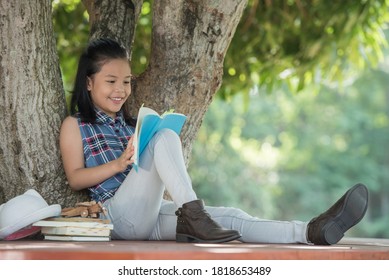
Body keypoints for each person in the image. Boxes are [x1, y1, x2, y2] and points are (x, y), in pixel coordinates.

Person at [59, 38, 369, 245]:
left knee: (232, 218)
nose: (120, 90)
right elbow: (75, 178)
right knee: (164, 136)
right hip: (117, 217)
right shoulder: (76, 125)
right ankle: (194, 215)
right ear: (89, 83)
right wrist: (119, 163)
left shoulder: (129, 125)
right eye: (111, 81)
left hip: (152, 214)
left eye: (126, 82)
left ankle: (310, 231)